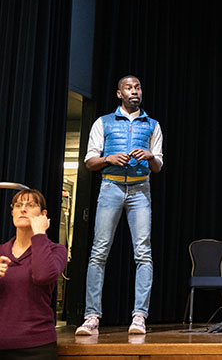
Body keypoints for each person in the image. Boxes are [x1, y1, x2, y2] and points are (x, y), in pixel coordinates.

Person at [75, 75, 163, 336]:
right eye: (129, 88)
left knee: (143, 253)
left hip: (140, 190)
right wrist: (109, 158)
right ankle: (91, 318)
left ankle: (139, 317)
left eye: (137, 87)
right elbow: (89, 162)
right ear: (119, 93)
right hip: (111, 186)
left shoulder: (153, 125)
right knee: (98, 253)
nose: (134, 91)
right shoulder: (104, 122)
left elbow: (158, 166)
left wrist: (149, 156)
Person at [0, 189, 68, 359]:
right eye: (18, 205)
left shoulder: (56, 250)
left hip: (36, 348)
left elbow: (43, 276)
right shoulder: (1, 251)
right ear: (12, 212)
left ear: (43, 214)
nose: (23, 209)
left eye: (30, 205)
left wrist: (39, 233)